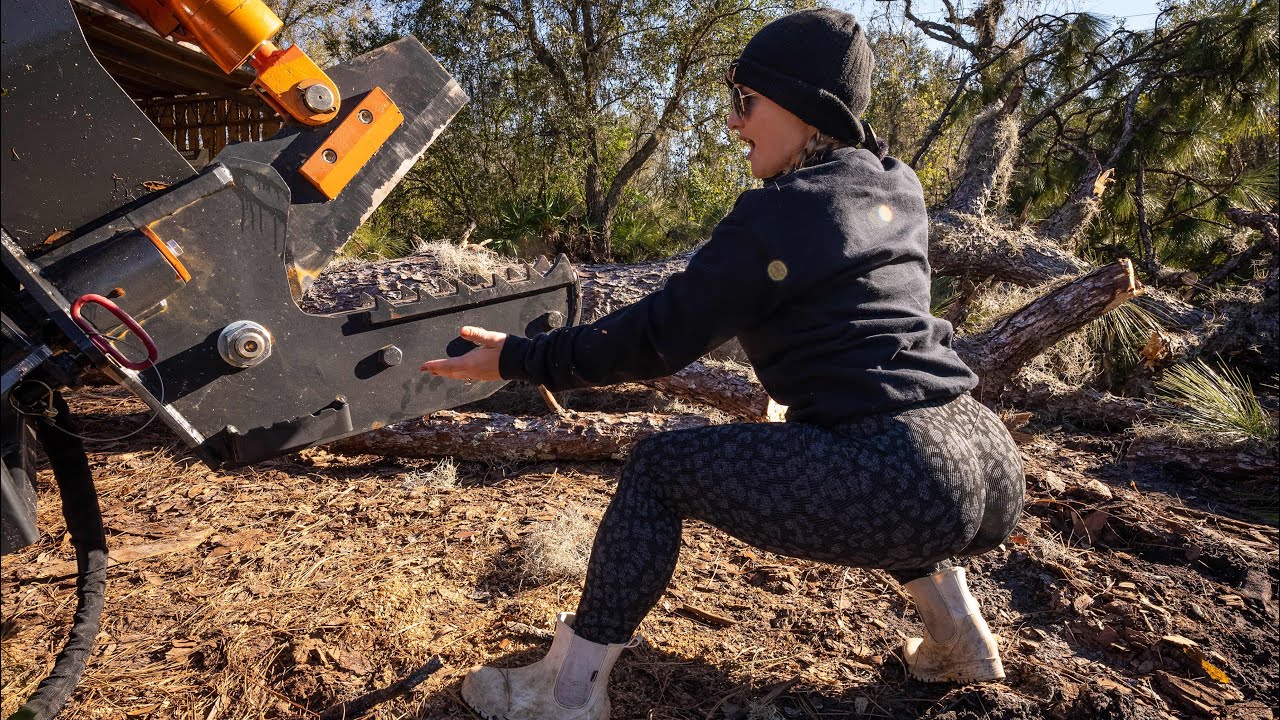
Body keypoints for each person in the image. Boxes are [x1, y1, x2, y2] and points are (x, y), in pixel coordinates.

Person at [421, 8, 1025, 719]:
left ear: (803, 109)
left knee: (657, 468)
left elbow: (656, 338)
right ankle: (959, 635)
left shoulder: (781, 213)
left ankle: (566, 692)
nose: (734, 123)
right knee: (873, 472)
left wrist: (521, 359)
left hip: (904, 474)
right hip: (985, 458)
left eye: (746, 102)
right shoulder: (897, 185)